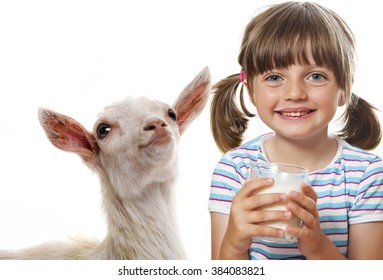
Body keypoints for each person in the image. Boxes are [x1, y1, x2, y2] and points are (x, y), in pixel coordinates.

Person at [209, 1, 383, 260]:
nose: (294, 94)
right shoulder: (234, 170)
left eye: (315, 76)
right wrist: (234, 242)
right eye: (274, 77)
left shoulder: (366, 175)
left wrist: (317, 246)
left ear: (343, 88)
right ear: (251, 89)